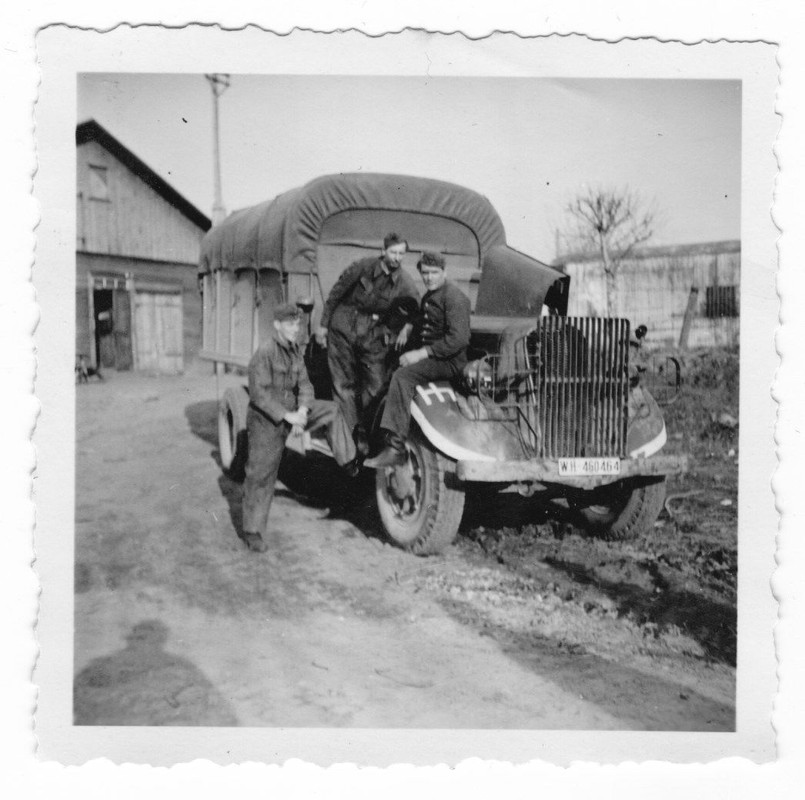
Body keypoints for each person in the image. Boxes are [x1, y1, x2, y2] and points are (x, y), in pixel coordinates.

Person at [240, 303, 349, 553]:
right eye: (290, 324)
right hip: (267, 419)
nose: (295, 329)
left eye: (298, 324)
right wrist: (288, 416)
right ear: (277, 325)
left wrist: (302, 411)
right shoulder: (266, 352)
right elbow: (259, 394)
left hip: (293, 413)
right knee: (261, 473)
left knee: (332, 410)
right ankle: (252, 530)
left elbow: (306, 385)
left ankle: (347, 468)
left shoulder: (295, 352)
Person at [315, 233, 420, 468]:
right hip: (342, 328)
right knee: (344, 386)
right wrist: (322, 326)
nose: (397, 258)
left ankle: (367, 434)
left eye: (402, 253)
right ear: (384, 251)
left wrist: (407, 328)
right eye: (393, 252)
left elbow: (416, 306)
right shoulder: (362, 267)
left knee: (375, 386)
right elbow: (336, 294)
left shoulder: (404, 280)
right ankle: (352, 440)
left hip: (372, 336)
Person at [364, 251, 471, 468]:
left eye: (434, 273)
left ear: (444, 272)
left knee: (403, 377)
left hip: (450, 361)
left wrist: (421, 353)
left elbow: (458, 339)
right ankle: (374, 437)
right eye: (425, 273)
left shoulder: (454, 297)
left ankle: (396, 447)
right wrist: (409, 325)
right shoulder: (431, 295)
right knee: (394, 368)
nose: (429, 277)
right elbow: (425, 316)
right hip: (437, 357)